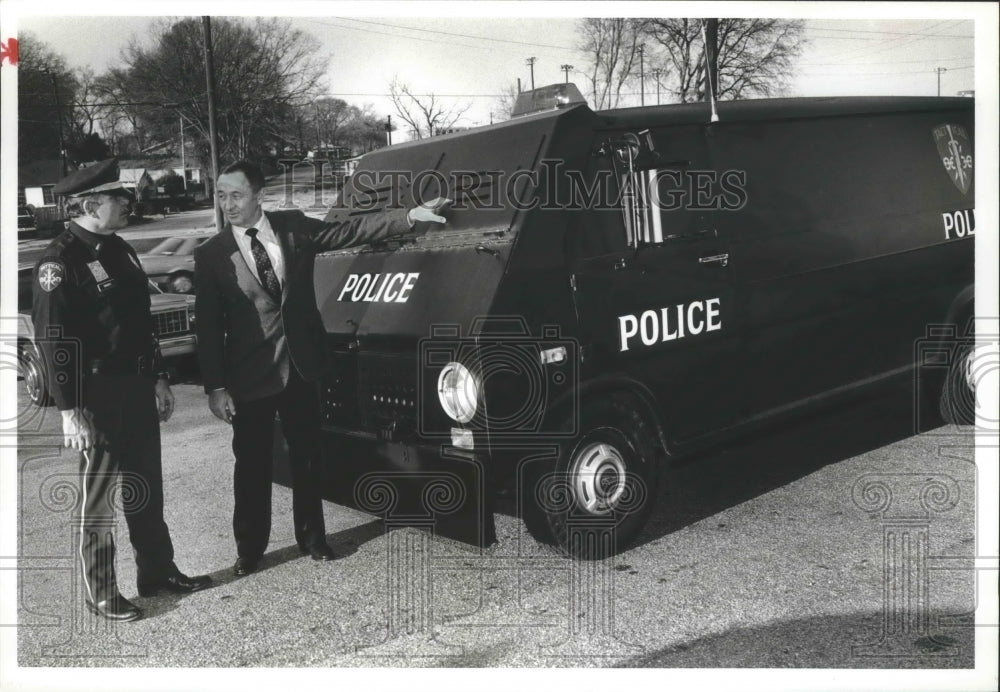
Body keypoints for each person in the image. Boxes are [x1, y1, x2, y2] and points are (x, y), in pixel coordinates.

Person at [194, 161, 449, 577]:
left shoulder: (293, 227)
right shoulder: (210, 255)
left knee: (308, 459)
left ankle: (313, 538)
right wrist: (215, 387)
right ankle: (250, 549)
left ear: (258, 194)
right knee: (252, 466)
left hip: (302, 368)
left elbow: (347, 231)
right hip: (249, 378)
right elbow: (207, 328)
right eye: (221, 196)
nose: (227, 204)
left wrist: (409, 215)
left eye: (235, 195)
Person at [32, 159, 211, 623]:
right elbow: (54, 341)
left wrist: (157, 376)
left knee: (145, 486)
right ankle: (102, 591)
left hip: (135, 386)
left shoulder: (119, 249)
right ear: (91, 204)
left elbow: (139, 320)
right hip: (98, 394)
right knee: (100, 497)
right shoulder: (60, 260)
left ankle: (157, 571)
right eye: (119, 198)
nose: (128, 203)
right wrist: (71, 410)